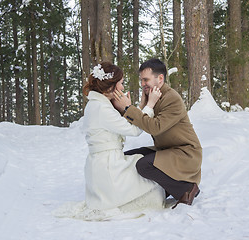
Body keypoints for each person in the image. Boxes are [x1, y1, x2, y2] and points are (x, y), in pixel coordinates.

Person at [113, 58, 202, 209]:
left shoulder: (171, 98)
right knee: (129, 157)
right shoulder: (153, 97)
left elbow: (155, 127)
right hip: (167, 150)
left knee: (144, 165)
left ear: (160, 78)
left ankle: (186, 189)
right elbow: (141, 120)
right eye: (141, 80)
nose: (142, 84)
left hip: (186, 153)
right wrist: (142, 105)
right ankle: (155, 189)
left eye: (146, 80)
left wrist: (129, 109)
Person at [82, 62, 165, 213]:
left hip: (101, 164)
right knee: (153, 184)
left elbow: (119, 124)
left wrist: (134, 107)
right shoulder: (101, 108)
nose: (121, 88)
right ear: (109, 86)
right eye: (120, 83)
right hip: (109, 167)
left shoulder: (97, 104)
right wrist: (150, 104)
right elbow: (134, 130)